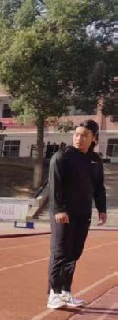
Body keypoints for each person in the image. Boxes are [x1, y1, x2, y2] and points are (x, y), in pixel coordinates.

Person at [46, 120, 106, 310]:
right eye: (77, 134)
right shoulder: (62, 157)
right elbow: (55, 185)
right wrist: (59, 209)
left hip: (83, 213)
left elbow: (98, 187)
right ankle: (53, 295)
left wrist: (101, 208)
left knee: (74, 253)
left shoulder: (95, 160)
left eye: (84, 135)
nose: (79, 138)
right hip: (63, 213)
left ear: (94, 138)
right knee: (60, 252)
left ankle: (65, 292)